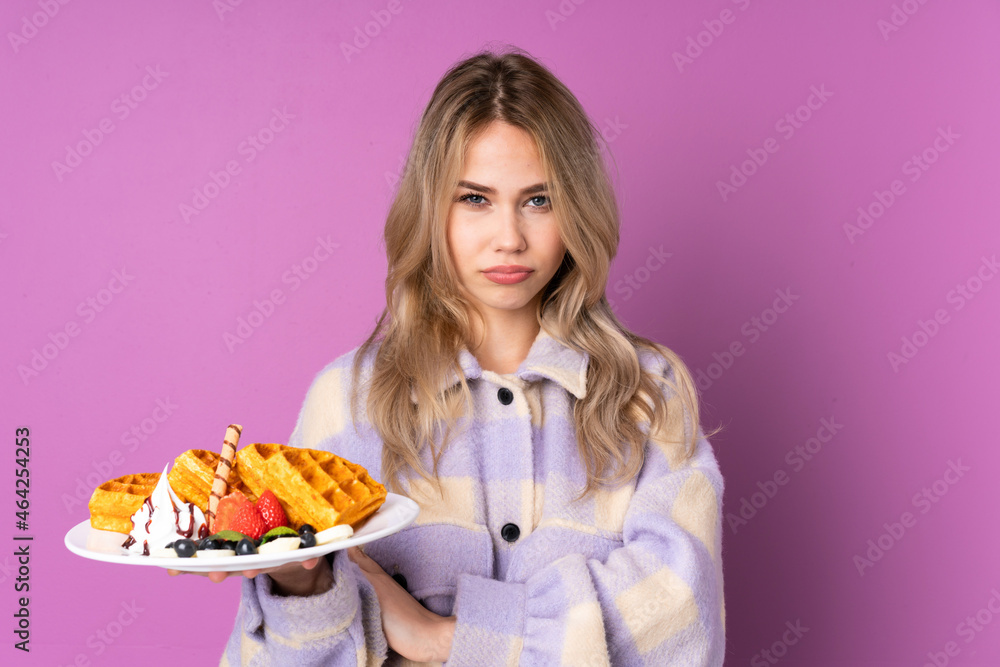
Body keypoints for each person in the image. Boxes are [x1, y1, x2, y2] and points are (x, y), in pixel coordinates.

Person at [192, 45, 726, 666]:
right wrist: (302, 582)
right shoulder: (348, 399)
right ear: (430, 209)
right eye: (475, 198)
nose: (509, 238)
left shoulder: (646, 393)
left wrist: (449, 637)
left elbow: (682, 624)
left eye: (538, 200)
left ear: (576, 210)